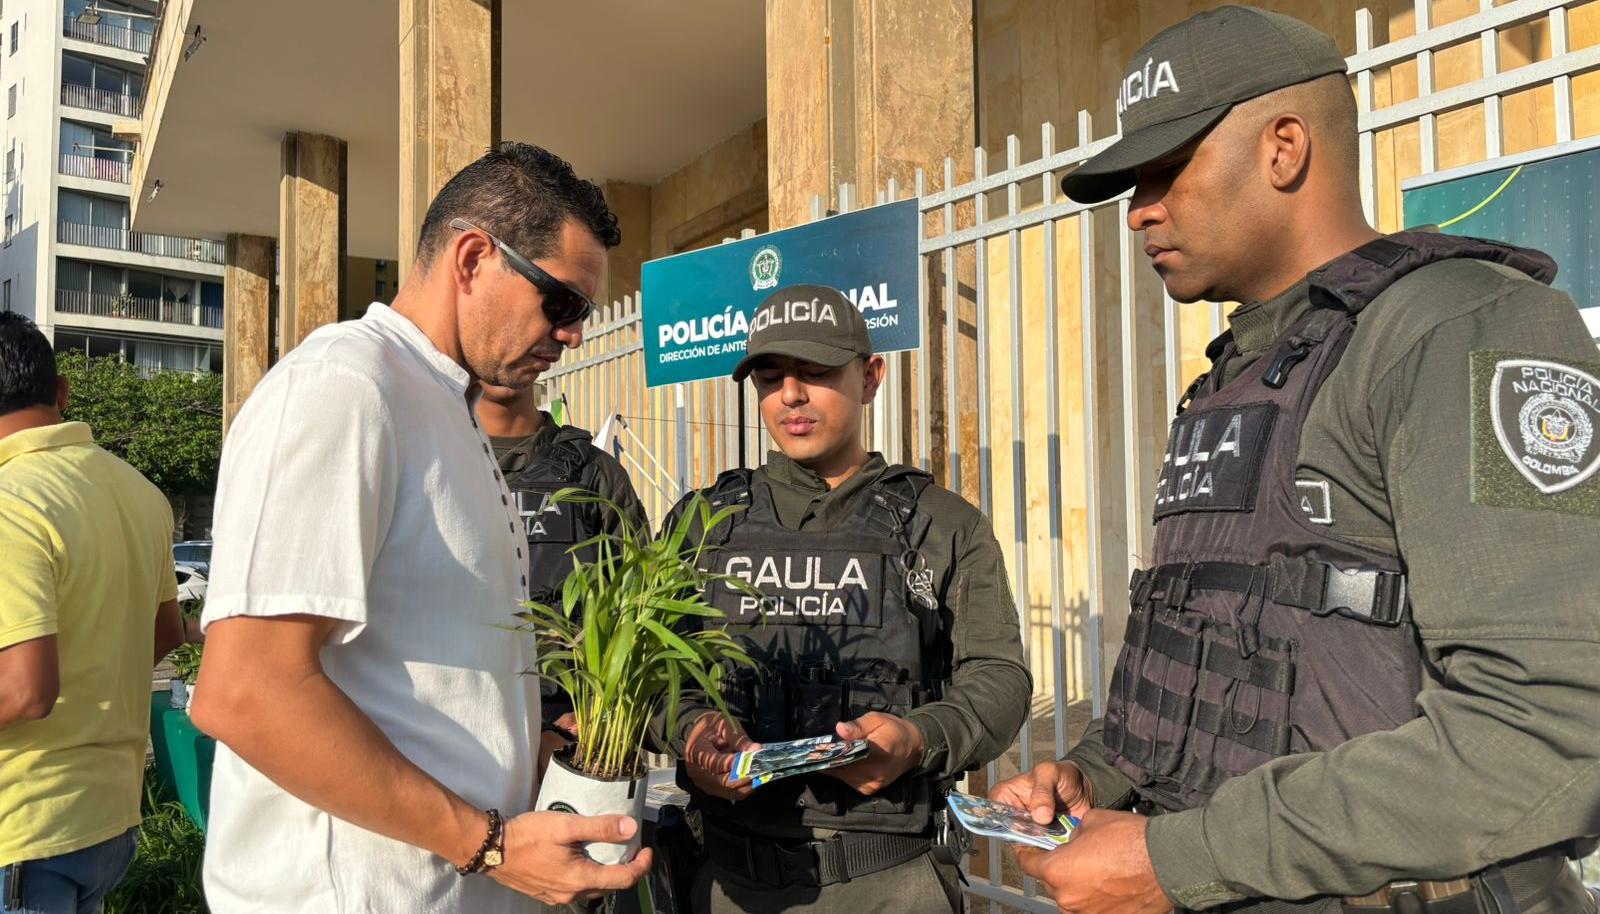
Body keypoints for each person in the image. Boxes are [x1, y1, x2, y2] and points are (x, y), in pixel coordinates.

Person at [988, 7, 1600, 914]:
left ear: (1283, 148)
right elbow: (1234, 658)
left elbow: (1553, 732)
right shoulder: (1237, 380)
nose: (1139, 210)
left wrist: (1178, 856)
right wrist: (1099, 778)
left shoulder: (1457, 331)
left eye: (1167, 169)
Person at [191, 143, 652, 913]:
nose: (571, 335)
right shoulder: (343, 386)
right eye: (563, 303)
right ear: (473, 257)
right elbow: (245, 690)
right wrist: (492, 844)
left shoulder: (442, 407)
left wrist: (527, 751)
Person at [657, 283, 1033, 912]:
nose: (792, 395)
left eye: (817, 372)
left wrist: (917, 738)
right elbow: (649, 674)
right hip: (730, 881)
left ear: (871, 375)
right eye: (771, 376)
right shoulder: (703, 522)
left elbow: (998, 677)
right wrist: (690, 729)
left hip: (889, 881)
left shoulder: (940, 524)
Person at [0, 313, 184, 913]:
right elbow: (164, 633)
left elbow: (25, 691)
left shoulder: (11, 502)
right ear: (61, 393)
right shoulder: (141, 493)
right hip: (107, 821)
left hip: (23, 828)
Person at [476, 381, 648, 727]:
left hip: (572, 723)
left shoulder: (594, 473)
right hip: (454, 725)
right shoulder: (427, 460)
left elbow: (640, 606)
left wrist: (600, 717)